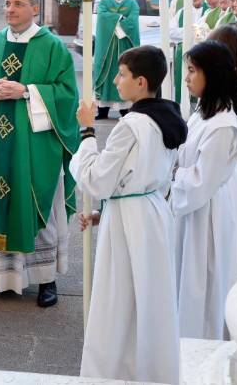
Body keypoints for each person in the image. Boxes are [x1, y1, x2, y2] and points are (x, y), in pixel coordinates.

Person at [75, 46, 186, 384]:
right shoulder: (168, 117)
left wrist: (87, 131)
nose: (115, 80)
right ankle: (153, 370)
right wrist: (101, 214)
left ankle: (111, 374)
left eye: (121, 74)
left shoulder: (131, 125)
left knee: (117, 302)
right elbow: (138, 179)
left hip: (128, 223)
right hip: (151, 212)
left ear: (140, 82)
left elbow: (98, 179)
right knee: (150, 301)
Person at [0, 0, 78, 306]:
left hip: (34, 146)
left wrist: (27, 91)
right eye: (7, 4)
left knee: (36, 203)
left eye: (17, 4)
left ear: (35, 9)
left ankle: (46, 280)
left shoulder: (52, 46)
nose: (9, 10)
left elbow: (67, 92)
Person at [171, 40, 237, 340]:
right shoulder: (205, 111)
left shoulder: (223, 125)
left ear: (211, 74)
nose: (186, 78)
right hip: (192, 211)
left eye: (191, 71)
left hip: (206, 214)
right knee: (186, 279)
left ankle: (200, 347)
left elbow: (201, 182)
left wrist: (171, 175)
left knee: (202, 283)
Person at [207, 25, 237, 280]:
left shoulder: (231, 95)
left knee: (218, 266)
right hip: (226, 178)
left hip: (220, 182)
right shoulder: (236, 86)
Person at [93, 0, 140, 119]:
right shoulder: (104, 2)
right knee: (106, 73)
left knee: (125, 73)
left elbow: (132, 20)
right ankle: (103, 109)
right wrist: (120, 18)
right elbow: (102, 16)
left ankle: (124, 108)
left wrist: (115, 19)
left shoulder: (132, 4)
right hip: (107, 46)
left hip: (124, 45)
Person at [170, 0, 207, 103]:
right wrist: (190, 31)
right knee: (183, 85)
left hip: (203, 54)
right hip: (184, 54)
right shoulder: (182, 12)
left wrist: (192, 31)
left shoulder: (209, 11)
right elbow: (171, 32)